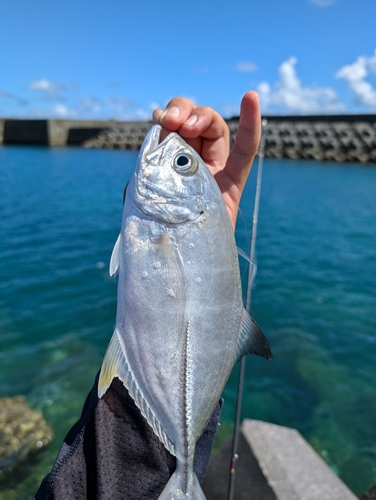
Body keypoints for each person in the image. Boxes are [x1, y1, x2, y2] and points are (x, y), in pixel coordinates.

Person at [34, 92, 261, 500]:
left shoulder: (175, 213)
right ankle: (182, 474)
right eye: (183, 163)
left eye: (181, 164)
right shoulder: (167, 211)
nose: (172, 152)